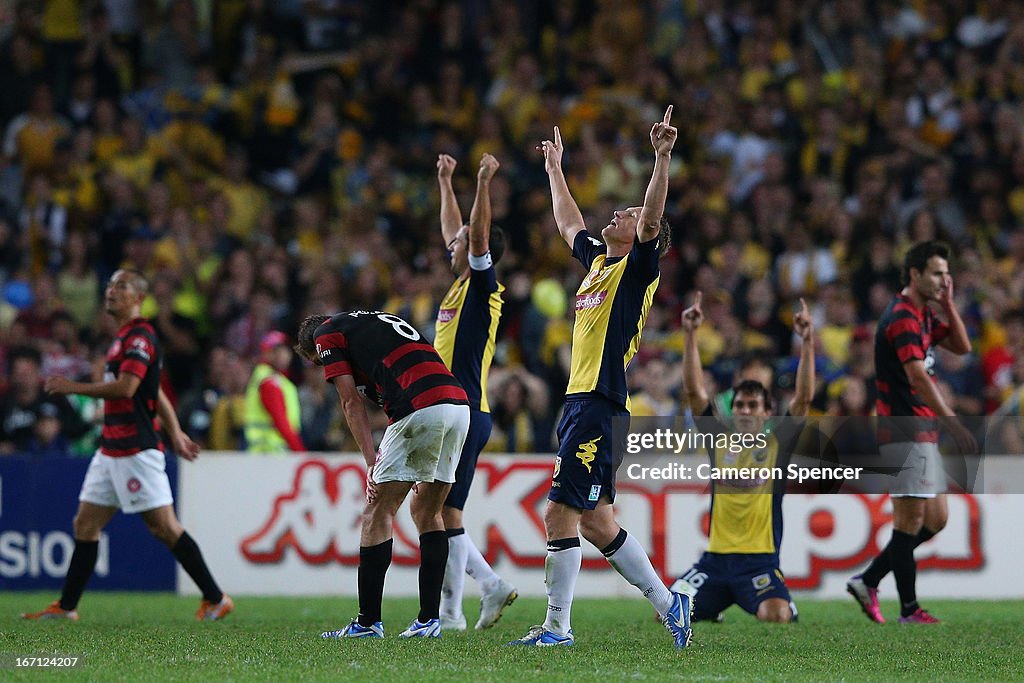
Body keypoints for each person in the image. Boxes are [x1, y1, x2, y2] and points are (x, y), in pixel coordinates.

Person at [510, 107, 692, 648]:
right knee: (595, 521)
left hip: (598, 399)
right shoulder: (597, 263)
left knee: (560, 511)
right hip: (581, 401)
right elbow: (569, 224)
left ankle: (557, 627)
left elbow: (654, 221)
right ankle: (669, 602)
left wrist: (661, 160)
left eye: (629, 214)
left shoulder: (637, 272)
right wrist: (554, 171)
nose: (619, 213)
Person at [21, 269, 232, 621]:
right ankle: (67, 607)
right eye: (109, 284)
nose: (110, 291)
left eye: (121, 286)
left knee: (164, 527)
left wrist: (72, 387)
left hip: (136, 448)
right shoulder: (120, 339)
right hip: (110, 449)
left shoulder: (140, 336)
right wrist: (176, 431)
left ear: (138, 298)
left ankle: (216, 598)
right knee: (85, 524)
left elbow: (128, 389)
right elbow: (155, 391)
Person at [295, 309, 471, 639]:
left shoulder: (326, 334)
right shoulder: (371, 321)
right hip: (457, 406)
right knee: (429, 512)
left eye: (321, 364)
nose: (325, 371)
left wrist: (370, 462)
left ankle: (367, 622)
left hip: (420, 406)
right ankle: (428, 621)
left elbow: (350, 401)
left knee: (377, 512)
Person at [847, 241, 976, 624]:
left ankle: (868, 578)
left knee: (935, 519)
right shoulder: (902, 316)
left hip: (921, 431)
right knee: (909, 522)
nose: (943, 279)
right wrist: (952, 419)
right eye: (936, 273)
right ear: (915, 274)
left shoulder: (921, 314)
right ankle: (909, 609)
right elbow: (918, 376)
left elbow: (963, 345)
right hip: (903, 429)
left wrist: (948, 304)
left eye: (946, 273)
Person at [672, 292, 815, 623]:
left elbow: (804, 399)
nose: (745, 410)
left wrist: (807, 342)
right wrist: (690, 335)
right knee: (667, 613)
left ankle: (780, 603)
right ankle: (712, 608)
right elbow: (695, 393)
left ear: (767, 412)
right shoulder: (718, 440)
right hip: (715, 561)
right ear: (731, 410)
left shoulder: (779, 445)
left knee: (775, 616)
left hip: (759, 562)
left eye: (753, 405)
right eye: (740, 405)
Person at [434, 151, 517, 630]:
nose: (452, 245)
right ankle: (470, 599)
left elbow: (476, 235)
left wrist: (483, 182)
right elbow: (458, 232)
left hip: (464, 410)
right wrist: (447, 183)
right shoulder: (458, 285)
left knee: (440, 510)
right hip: (457, 411)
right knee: (444, 511)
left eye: (461, 242)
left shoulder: (484, 287)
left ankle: (460, 606)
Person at [244, 330, 305, 453]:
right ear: (266, 354)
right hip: (269, 452)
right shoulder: (270, 382)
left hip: (267, 452)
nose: (284, 355)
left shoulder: (268, 377)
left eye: (284, 350)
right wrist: (299, 450)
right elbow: (281, 422)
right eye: (276, 351)